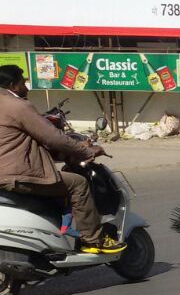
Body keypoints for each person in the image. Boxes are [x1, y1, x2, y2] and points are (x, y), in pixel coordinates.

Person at [0, 64, 119, 253]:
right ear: (13, 85)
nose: (27, 88)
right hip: (17, 175)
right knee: (79, 184)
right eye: (23, 83)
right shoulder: (18, 106)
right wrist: (87, 151)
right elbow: (54, 138)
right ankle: (92, 240)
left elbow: (24, 141)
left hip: (7, 174)